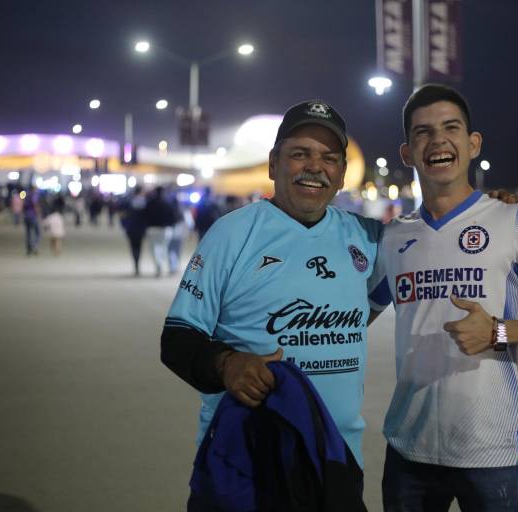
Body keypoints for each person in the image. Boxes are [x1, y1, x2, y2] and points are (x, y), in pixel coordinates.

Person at [367, 84, 518, 511]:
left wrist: (498, 331)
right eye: (423, 132)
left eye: (450, 128)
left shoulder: (512, 220)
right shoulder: (393, 238)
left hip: (489, 453)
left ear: (473, 144)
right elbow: (349, 319)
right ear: (407, 153)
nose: (438, 140)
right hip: (409, 452)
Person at [161, 100, 385, 508]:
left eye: (329, 158)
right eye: (300, 154)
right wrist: (228, 363)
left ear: (340, 174)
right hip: (247, 458)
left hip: (337, 459)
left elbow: (426, 252)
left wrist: (496, 209)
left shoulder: (367, 237)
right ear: (272, 164)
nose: (315, 167)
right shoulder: (231, 234)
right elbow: (177, 339)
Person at [144, 186, 177, 277]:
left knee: (154, 248)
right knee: (164, 248)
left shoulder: (150, 203)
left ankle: (158, 265)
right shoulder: (168, 203)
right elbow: (174, 217)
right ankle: (161, 264)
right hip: (165, 229)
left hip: (152, 229)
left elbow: (144, 216)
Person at [119, 186, 148, 276]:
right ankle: (137, 263)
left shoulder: (128, 202)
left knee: (133, 246)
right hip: (140, 229)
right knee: (139, 246)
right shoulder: (145, 202)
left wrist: (124, 226)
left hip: (131, 228)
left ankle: (136, 264)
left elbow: (122, 215)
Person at [22, 185, 42, 256]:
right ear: (34, 189)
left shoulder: (26, 195)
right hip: (33, 216)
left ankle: (29, 248)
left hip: (26, 216)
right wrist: (39, 213)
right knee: (38, 233)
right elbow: (35, 204)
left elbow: (23, 205)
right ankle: (34, 246)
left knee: (28, 234)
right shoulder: (34, 195)